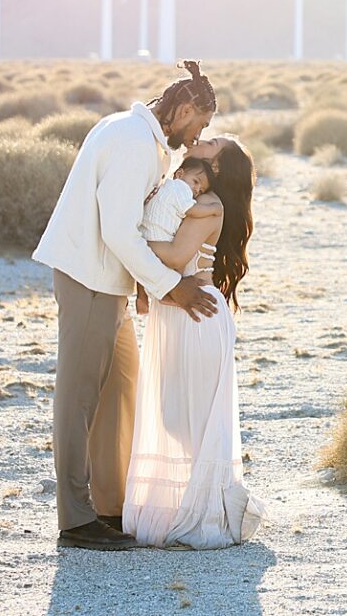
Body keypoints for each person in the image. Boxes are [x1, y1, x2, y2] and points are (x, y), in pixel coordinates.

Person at [32, 60, 232, 552]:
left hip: (111, 282)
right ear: (183, 108)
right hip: (89, 280)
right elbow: (118, 231)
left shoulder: (140, 138)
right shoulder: (133, 143)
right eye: (200, 125)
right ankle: (77, 521)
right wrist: (169, 287)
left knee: (120, 391)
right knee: (79, 396)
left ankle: (111, 506)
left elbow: (134, 225)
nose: (196, 138)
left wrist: (144, 285)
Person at [123, 139, 268, 548]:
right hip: (178, 314)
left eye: (214, 143)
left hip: (195, 316)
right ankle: (198, 499)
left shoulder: (211, 206)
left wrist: (127, 242)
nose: (206, 139)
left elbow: (174, 256)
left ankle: (210, 508)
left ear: (217, 166)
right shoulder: (190, 195)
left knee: (192, 417)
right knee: (175, 414)